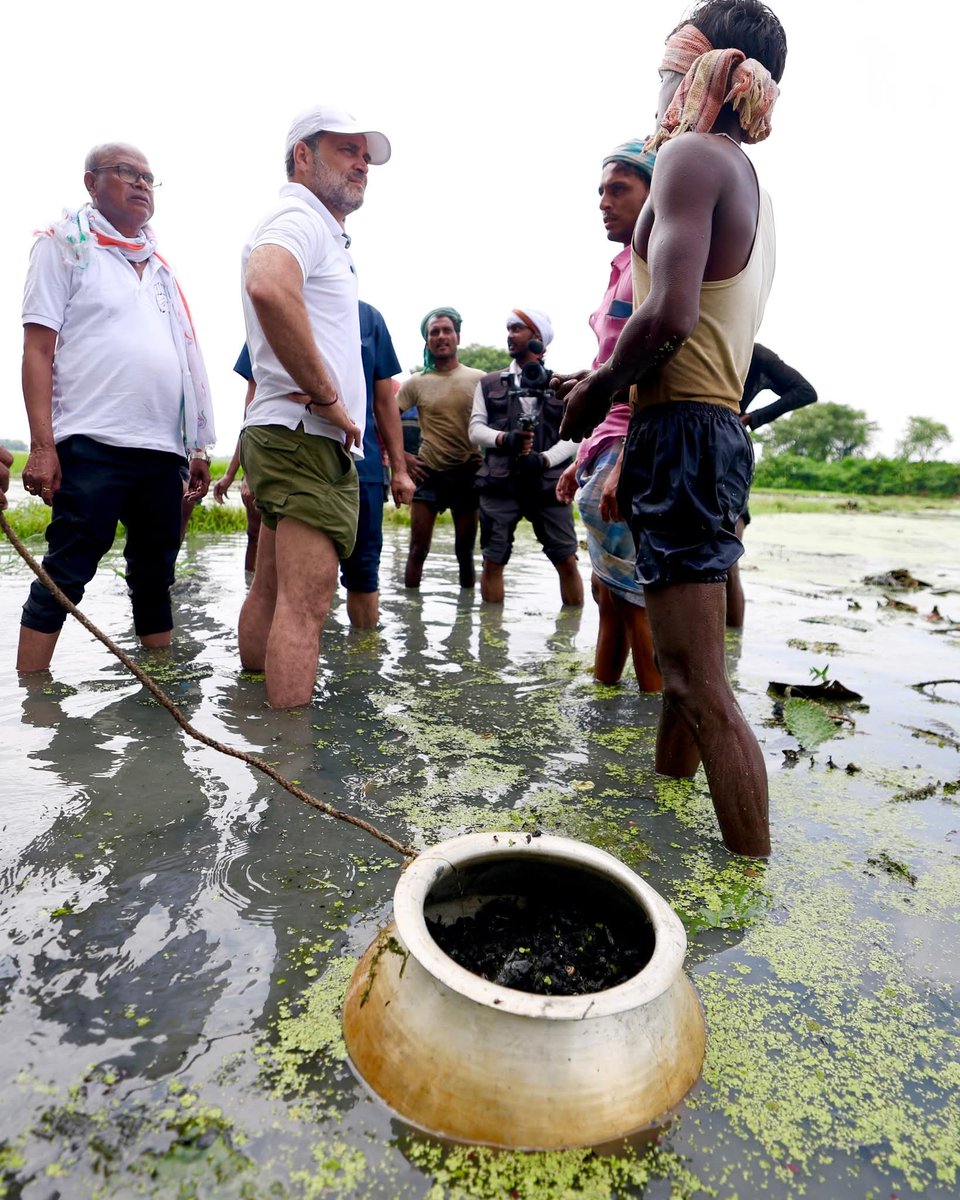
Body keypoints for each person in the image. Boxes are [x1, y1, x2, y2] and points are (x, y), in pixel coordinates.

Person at [557, 0, 787, 858]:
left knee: (697, 681)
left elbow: (675, 312)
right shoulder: (744, 175)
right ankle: (662, 816)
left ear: (712, 72)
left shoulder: (692, 156)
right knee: (687, 677)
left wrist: (596, 392)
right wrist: (612, 378)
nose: (659, 88)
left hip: (683, 434)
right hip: (708, 427)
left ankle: (748, 885)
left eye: (668, 69)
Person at [17, 143, 215, 672]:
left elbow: (180, 357)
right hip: (92, 439)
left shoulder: (160, 268)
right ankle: (32, 700)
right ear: (91, 182)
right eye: (126, 173)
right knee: (68, 568)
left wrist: (196, 446)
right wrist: (41, 447)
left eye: (149, 177)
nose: (141, 183)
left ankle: (161, 703)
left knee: (156, 573)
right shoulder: (63, 247)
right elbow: (38, 350)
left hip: (161, 447)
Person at [237, 106, 389, 709]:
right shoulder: (298, 215)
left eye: (366, 156)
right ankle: (290, 771)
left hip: (281, 429)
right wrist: (329, 398)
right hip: (303, 434)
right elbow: (268, 285)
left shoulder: (320, 229)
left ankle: (253, 712)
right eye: (347, 150)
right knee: (308, 604)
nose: (362, 165)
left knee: (271, 589)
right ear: (303, 156)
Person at [556, 141, 661, 691]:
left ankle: (647, 724)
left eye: (619, 189)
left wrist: (624, 462)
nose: (604, 201)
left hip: (631, 447)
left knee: (636, 600)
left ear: (654, 193)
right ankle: (604, 708)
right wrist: (585, 457)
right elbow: (610, 371)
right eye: (601, 190)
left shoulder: (649, 267)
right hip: (609, 444)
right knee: (608, 594)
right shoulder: (622, 267)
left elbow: (656, 368)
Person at [470, 310, 583, 607]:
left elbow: (575, 437)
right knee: (493, 561)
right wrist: (504, 439)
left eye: (517, 329)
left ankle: (568, 636)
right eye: (508, 328)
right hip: (499, 482)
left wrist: (544, 459)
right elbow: (475, 429)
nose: (509, 334)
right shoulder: (489, 383)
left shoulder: (562, 384)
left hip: (547, 485)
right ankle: (491, 640)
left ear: (537, 339)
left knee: (567, 561)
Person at [726, 344, 816, 626]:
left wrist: (753, 418)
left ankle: (731, 652)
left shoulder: (754, 353)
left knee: (727, 559)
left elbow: (805, 391)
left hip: (729, 454)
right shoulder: (696, 338)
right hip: (691, 446)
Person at [396, 309, 485, 589]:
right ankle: (412, 627)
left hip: (467, 472)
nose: (441, 336)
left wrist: (490, 463)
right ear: (427, 341)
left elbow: (498, 424)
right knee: (416, 551)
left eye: (446, 330)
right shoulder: (415, 382)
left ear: (457, 336)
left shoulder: (479, 379)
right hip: (427, 472)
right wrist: (404, 459)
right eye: (434, 332)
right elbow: (386, 418)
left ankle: (466, 622)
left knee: (465, 554)